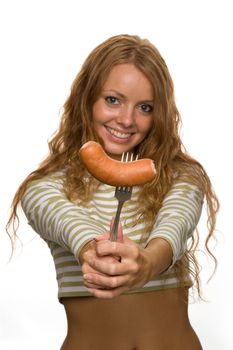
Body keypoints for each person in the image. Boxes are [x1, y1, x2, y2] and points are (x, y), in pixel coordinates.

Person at [7, 34, 219, 350]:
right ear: (86, 98)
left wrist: (148, 262)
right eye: (113, 100)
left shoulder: (182, 176)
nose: (127, 120)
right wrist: (93, 251)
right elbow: (67, 222)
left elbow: (175, 225)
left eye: (145, 107)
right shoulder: (43, 188)